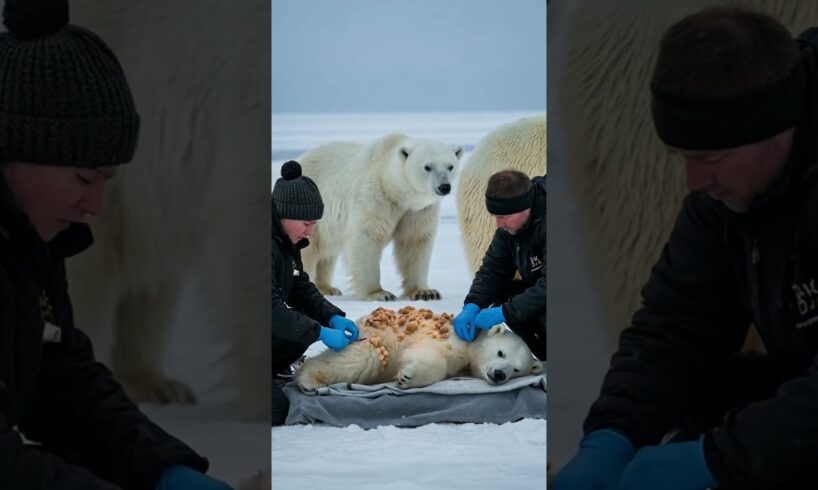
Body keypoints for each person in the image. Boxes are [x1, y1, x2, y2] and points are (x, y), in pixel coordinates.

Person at [553, 6, 818, 490]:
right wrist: (613, 434)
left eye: (711, 158)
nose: (695, 182)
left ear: (777, 127)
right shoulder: (729, 197)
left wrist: (721, 460)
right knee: (702, 398)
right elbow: (676, 327)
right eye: (682, 157)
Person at [0, 0, 230, 488]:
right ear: (16, 145)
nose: (97, 206)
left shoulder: (29, 244)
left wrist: (165, 468)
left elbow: (61, 383)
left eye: (108, 180)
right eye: (85, 177)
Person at [271, 160, 360, 426]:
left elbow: (300, 287)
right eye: (306, 223)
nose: (311, 231)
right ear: (284, 214)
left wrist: (332, 317)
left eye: (314, 224)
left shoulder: (285, 241)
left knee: (301, 327)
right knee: (275, 412)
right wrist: (319, 332)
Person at [452, 170, 546, 361]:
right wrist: (473, 305)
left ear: (524, 208)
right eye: (495, 216)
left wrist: (506, 312)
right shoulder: (510, 227)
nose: (498, 224)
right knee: (498, 293)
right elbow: (492, 271)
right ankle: (545, 353)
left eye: (503, 217)